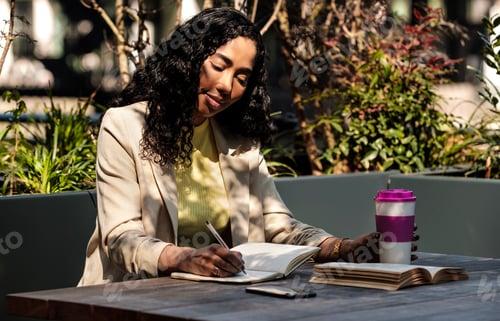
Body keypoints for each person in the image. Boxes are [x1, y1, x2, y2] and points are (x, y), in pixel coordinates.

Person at [78, 7, 416, 286]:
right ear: (189, 59)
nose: (226, 85)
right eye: (219, 65)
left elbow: (279, 226)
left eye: (242, 77)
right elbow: (121, 237)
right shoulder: (124, 126)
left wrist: (340, 247)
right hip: (130, 299)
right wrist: (185, 258)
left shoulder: (238, 140)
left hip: (218, 299)